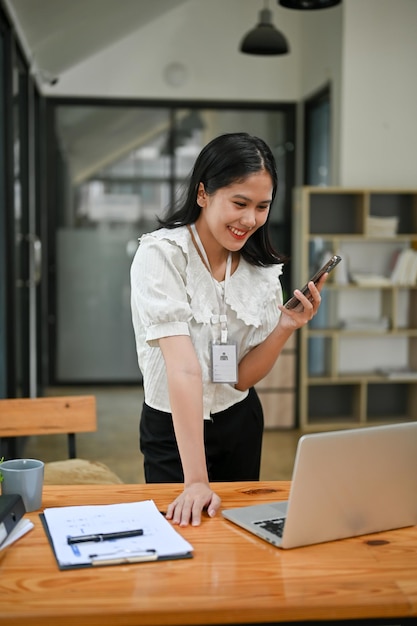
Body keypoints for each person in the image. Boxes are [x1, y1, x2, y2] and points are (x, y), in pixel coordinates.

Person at [130, 132, 326, 528]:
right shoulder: (162, 255)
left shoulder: (261, 272)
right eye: (239, 203)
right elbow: (183, 369)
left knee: (239, 545)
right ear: (203, 193)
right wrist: (196, 481)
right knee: (184, 544)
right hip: (173, 430)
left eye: (262, 207)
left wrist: (286, 326)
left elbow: (240, 380)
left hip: (240, 423)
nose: (250, 220)